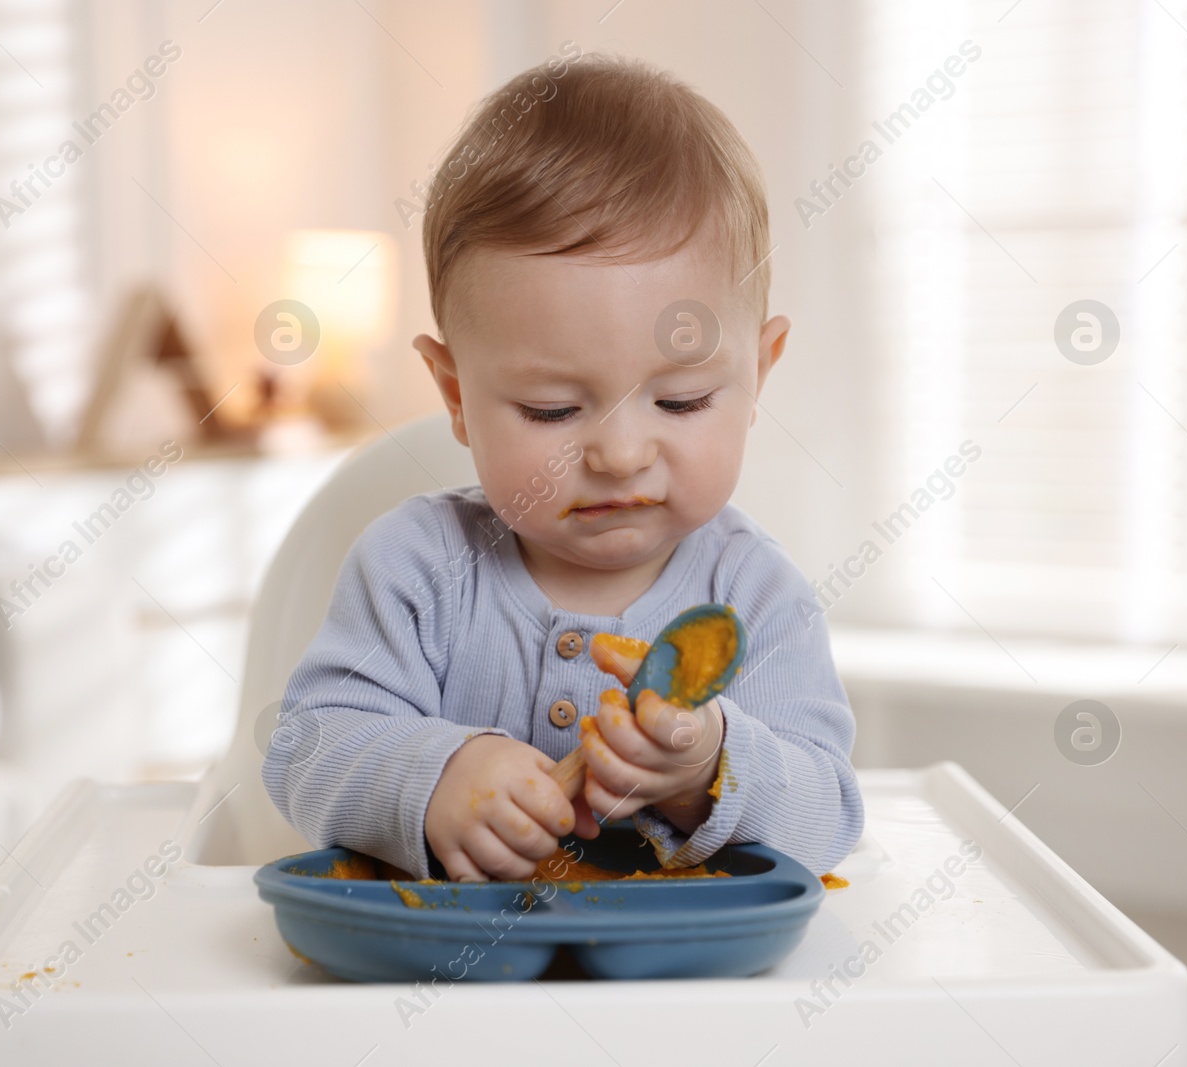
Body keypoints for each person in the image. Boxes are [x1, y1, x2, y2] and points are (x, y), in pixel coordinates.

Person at [263, 51, 862, 883]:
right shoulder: (417, 571)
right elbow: (307, 745)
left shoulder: (755, 601)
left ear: (759, 372)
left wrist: (709, 767)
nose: (619, 455)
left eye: (682, 401)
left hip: (685, 999)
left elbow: (828, 813)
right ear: (456, 393)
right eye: (552, 410)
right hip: (445, 990)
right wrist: (435, 774)